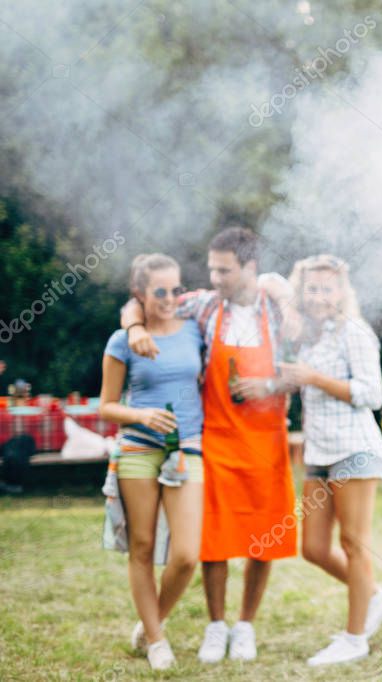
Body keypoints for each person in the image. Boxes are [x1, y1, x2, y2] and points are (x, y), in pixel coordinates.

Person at [122, 227, 295, 663]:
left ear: (250, 268)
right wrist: (134, 325)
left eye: (224, 270)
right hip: (214, 436)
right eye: (212, 268)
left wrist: (270, 384)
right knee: (212, 539)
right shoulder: (203, 305)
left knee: (263, 539)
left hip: (266, 441)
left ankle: (245, 625)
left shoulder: (277, 307)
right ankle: (216, 626)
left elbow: (303, 370)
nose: (214, 277)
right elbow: (139, 299)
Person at [275, 254, 382, 666]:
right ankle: (375, 597)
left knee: (352, 544)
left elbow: (372, 394)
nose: (320, 295)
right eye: (312, 288)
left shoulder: (355, 332)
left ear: (342, 291)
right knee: (312, 547)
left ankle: (354, 637)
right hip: (319, 453)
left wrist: (313, 378)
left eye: (328, 287)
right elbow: (268, 284)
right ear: (302, 292)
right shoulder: (309, 337)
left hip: (355, 451)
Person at [99, 254, 204, 671]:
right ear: (139, 294)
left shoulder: (195, 330)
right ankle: (157, 640)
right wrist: (140, 415)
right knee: (141, 548)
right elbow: (106, 406)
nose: (169, 298)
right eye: (159, 292)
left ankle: (149, 623)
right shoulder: (121, 340)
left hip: (187, 449)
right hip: (138, 450)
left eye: (175, 289)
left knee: (186, 554)